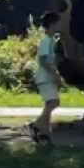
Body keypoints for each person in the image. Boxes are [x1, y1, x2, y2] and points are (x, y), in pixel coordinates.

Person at [28, 9, 65, 145]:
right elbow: (43, 60)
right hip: (45, 77)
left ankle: (45, 132)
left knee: (50, 104)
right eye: (59, 22)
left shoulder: (50, 40)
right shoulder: (46, 40)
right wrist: (55, 74)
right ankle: (36, 126)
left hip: (46, 78)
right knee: (53, 103)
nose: (61, 25)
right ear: (52, 24)